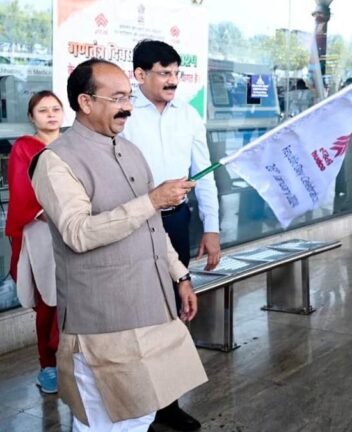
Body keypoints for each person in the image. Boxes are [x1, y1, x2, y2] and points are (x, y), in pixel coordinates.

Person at [30, 58, 207, 430]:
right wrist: (152, 201)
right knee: (106, 420)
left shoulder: (130, 151)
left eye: (128, 97)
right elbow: (78, 233)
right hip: (103, 321)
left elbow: (152, 226)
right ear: (85, 102)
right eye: (117, 98)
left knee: (143, 413)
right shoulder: (56, 161)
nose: (127, 107)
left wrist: (180, 276)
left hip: (152, 306)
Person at [121, 40, 218, 430]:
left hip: (175, 222)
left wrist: (211, 228)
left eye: (177, 73)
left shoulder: (188, 115)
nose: (173, 80)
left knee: (177, 308)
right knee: (137, 310)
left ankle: (167, 405)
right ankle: (134, 404)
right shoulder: (124, 114)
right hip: (131, 224)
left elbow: (204, 173)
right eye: (164, 73)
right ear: (140, 75)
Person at [6, 91, 63, 394]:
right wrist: (53, 216)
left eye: (55, 109)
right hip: (42, 231)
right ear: (31, 117)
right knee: (47, 302)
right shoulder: (24, 148)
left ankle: (73, 361)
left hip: (78, 231)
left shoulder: (73, 144)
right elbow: (22, 190)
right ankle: (48, 365)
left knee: (76, 297)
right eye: (43, 110)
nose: (51, 115)